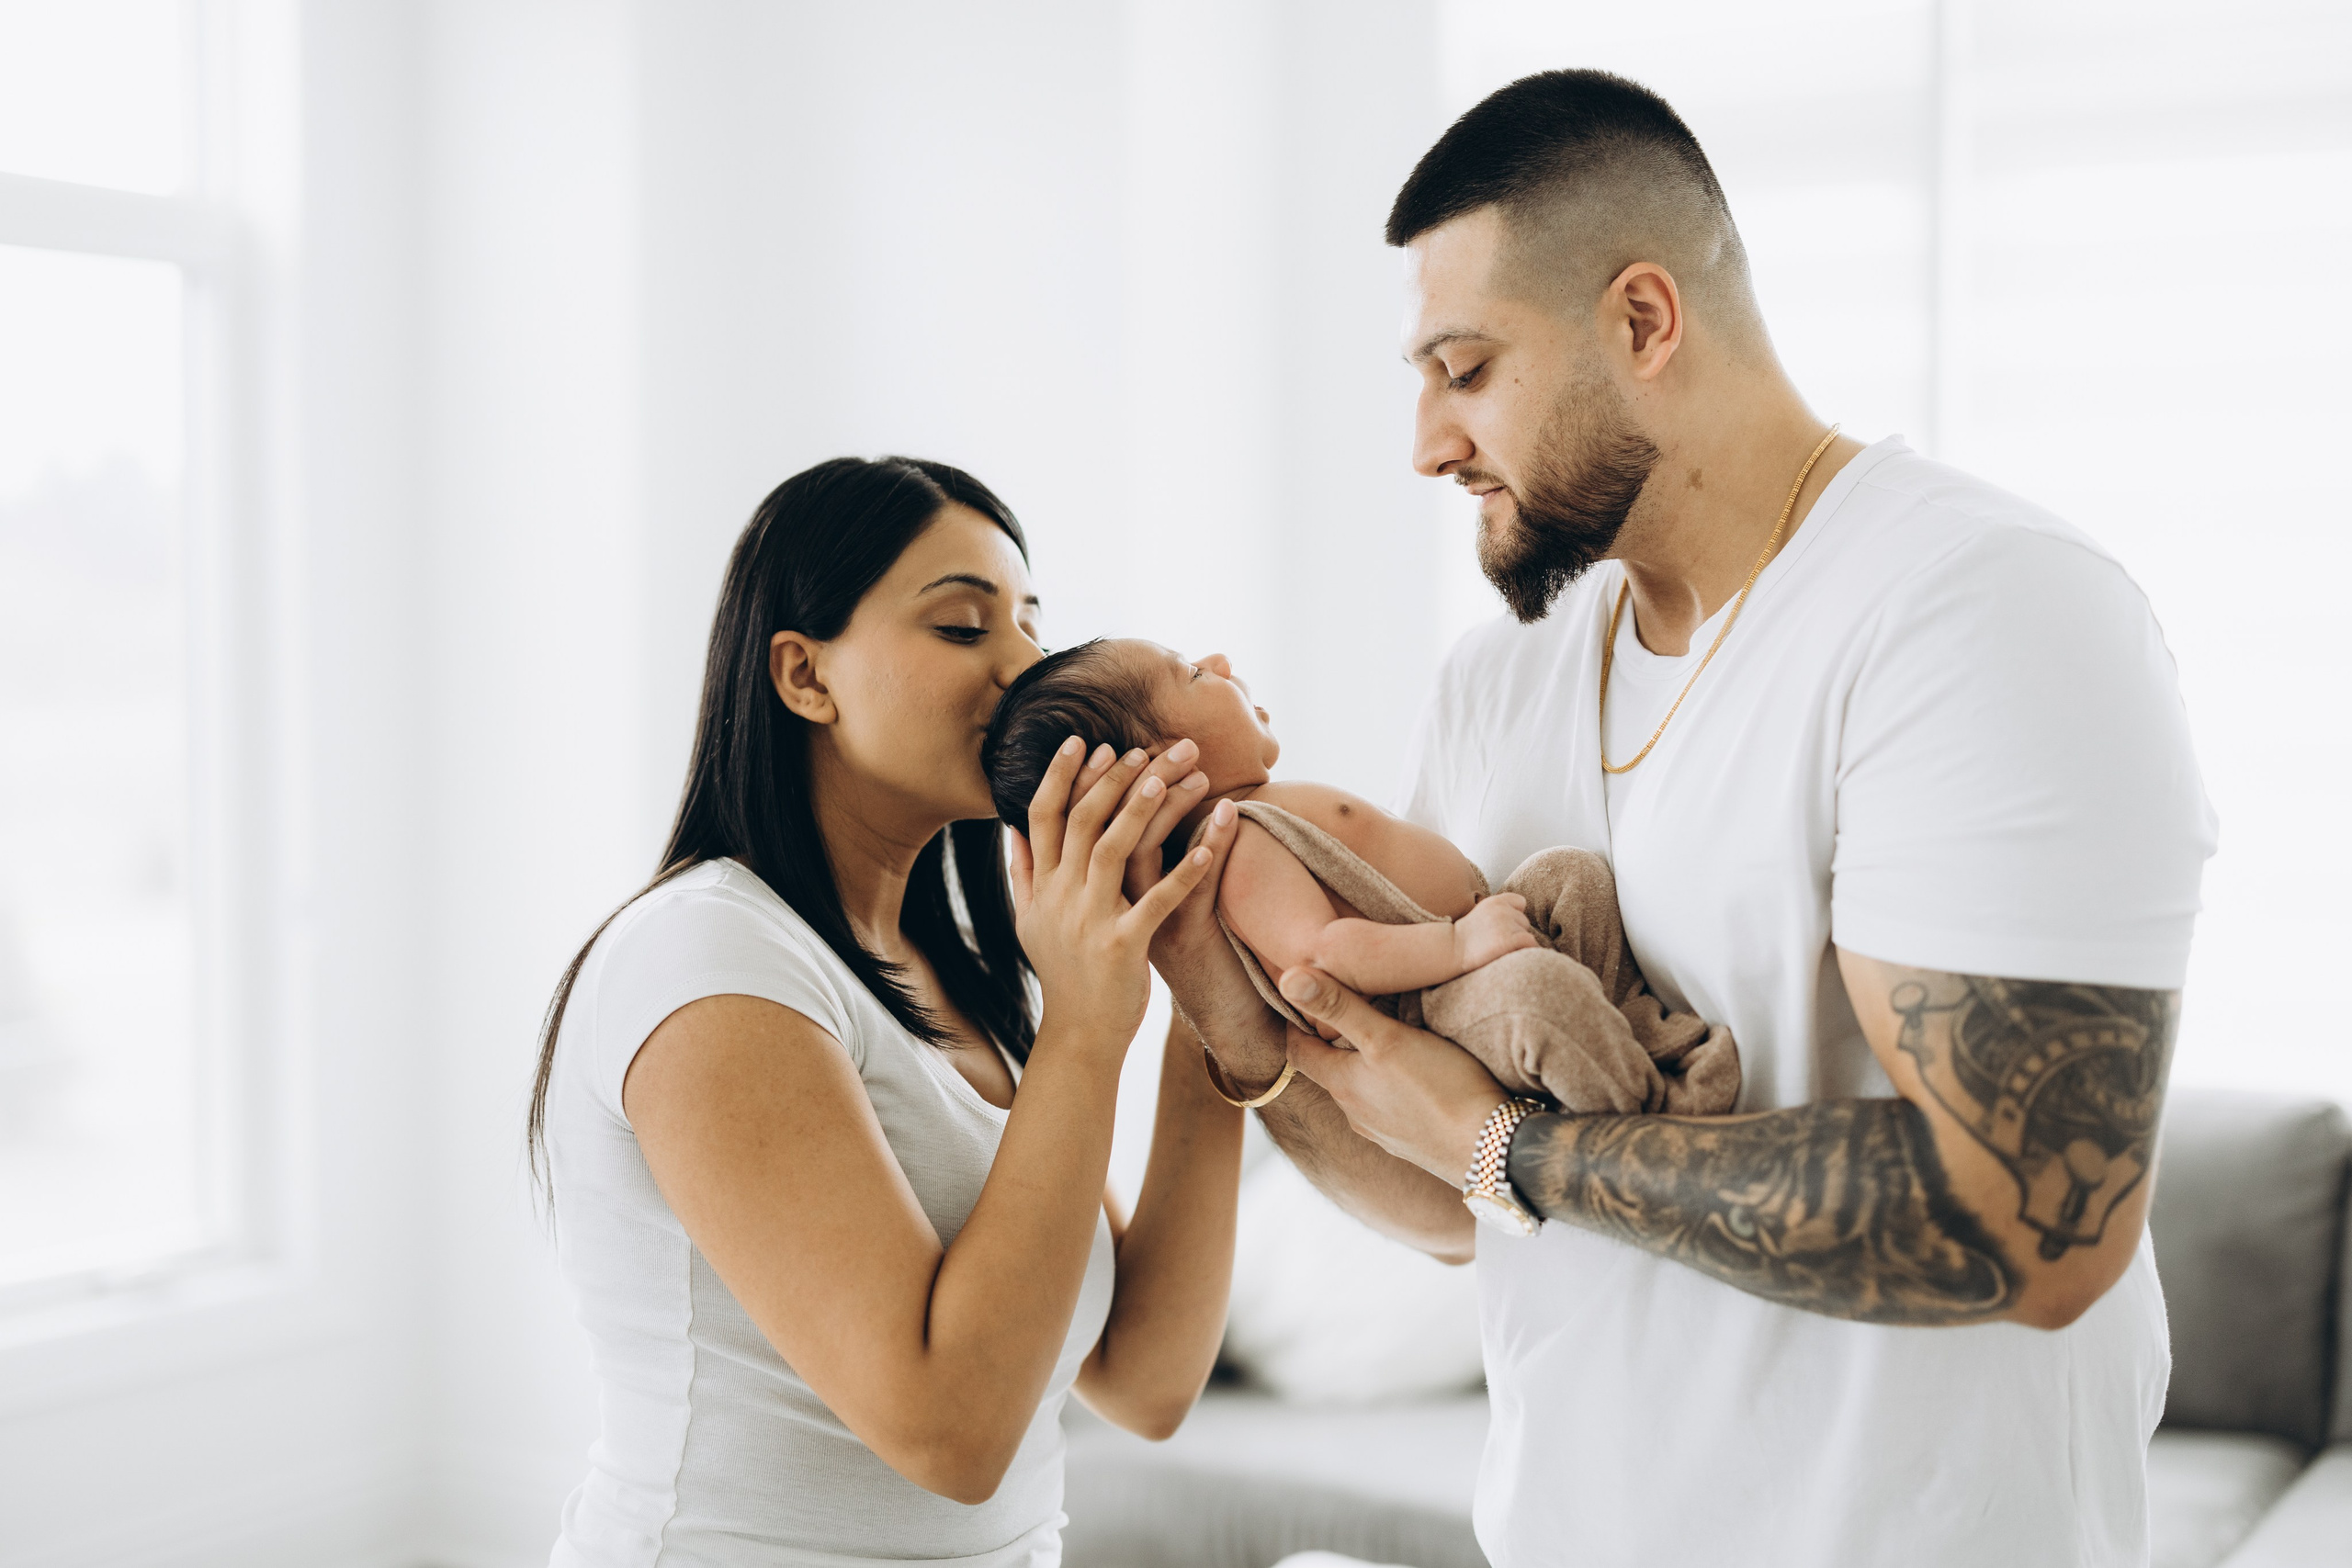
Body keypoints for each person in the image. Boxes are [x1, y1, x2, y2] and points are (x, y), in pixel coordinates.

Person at [1132, 70, 2215, 1567]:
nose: (1428, 443)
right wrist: (1217, 985)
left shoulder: (1979, 611)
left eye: (1466, 369)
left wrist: (1521, 1151)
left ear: (1643, 320)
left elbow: (2035, 1226)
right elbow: (1449, 1197)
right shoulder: (1495, 685)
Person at [526, 456, 1245, 1567]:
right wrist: (1086, 1029)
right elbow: (950, 1435)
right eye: (962, 627)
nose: (1025, 666)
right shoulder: (709, 956)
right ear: (804, 675)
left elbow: (1143, 1379)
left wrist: (1210, 996)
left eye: (1031, 623)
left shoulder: (958, 972)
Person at [981, 636, 1738, 1118]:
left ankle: (1640, 1035)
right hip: (1436, 998)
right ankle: (1659, 1110)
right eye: (1191, 672)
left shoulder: (1262, 813)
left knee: (1569, 876)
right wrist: (1459, 945)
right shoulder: (1236, 848)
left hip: (1477, 938)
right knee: (1540, 1002)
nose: (1218, 660)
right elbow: (1324, 956)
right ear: (1159, 769)